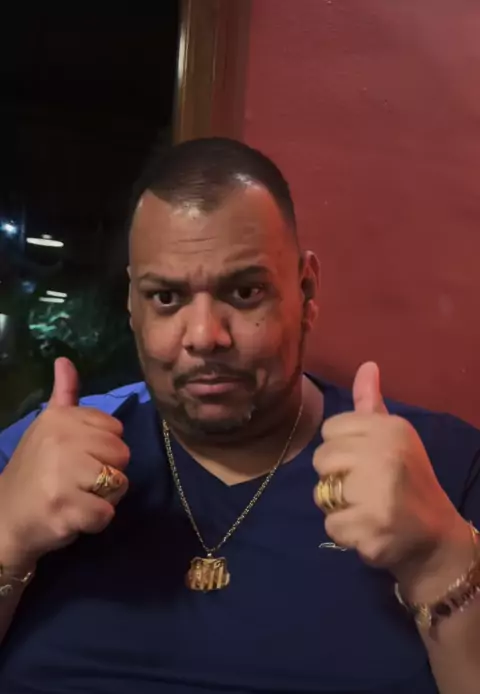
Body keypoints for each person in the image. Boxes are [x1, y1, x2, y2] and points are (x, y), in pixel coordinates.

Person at [0, 138, 479, 694]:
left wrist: (438, 558)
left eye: (245, 291)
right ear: (132, 305)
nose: (205, 336)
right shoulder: (32, 458)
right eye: (166, 298)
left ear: (305, 292)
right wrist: (7, 536)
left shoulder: (445, 471)